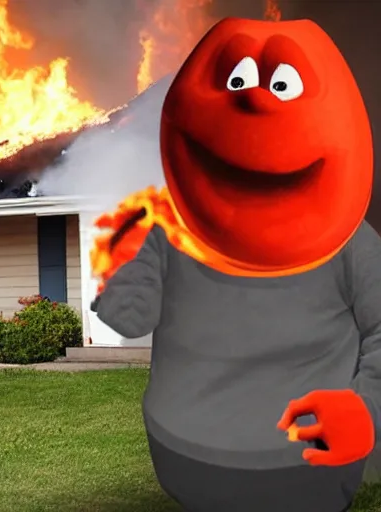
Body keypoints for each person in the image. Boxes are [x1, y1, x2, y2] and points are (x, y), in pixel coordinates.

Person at [91, 17, 378, 512]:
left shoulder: (350, 245)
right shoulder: (170, 232)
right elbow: (127, 315)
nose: (256, 101)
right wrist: (120, 263)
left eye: (281, 85)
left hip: (302, 462)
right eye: (236, 80)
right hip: (187, 456)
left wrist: (366, 409)